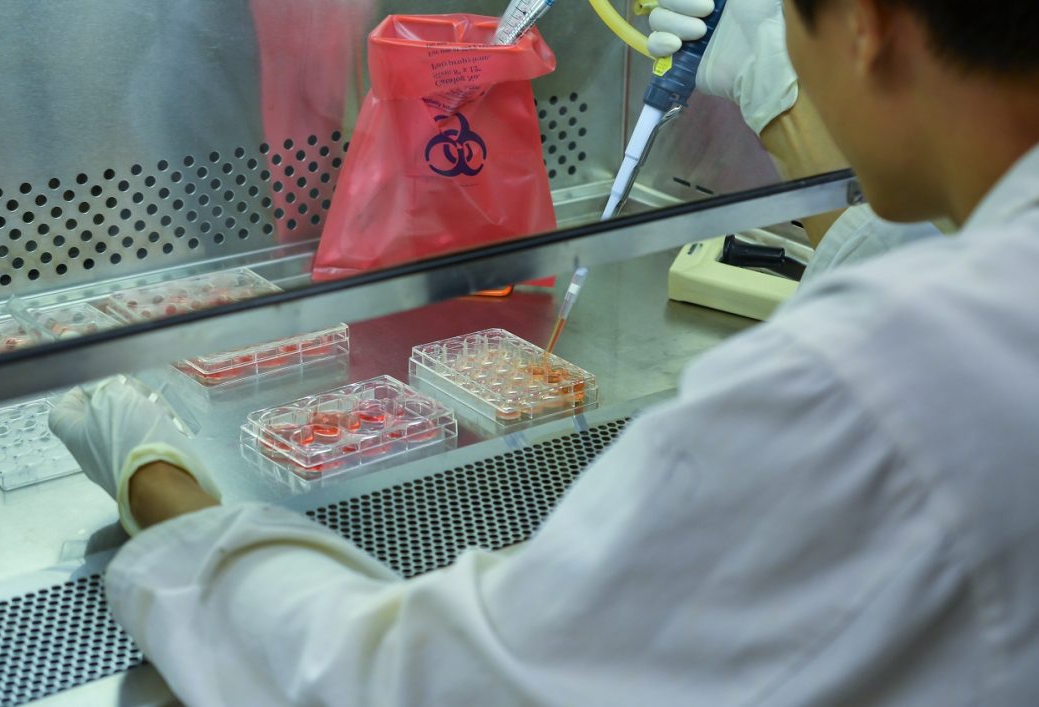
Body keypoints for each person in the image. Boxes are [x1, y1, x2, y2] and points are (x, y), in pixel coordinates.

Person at [50, 0, 1039, 703]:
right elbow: (906, 243)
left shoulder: (859, 391)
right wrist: (782, 93)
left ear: (867, 24)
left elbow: (396, 681)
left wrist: (157, 476)